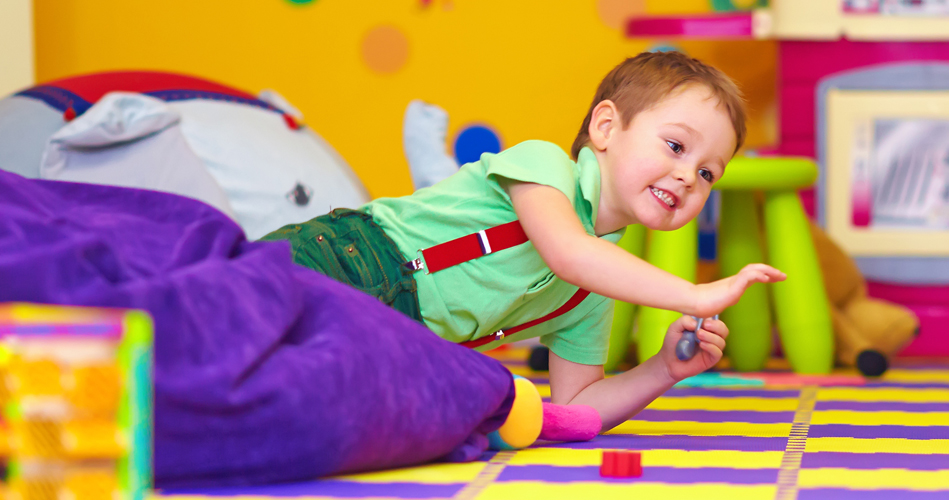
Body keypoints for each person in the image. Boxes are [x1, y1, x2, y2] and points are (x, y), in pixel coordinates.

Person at [261, 51, 785, 431]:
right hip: (349, 259)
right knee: (227, 312)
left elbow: (578, 407)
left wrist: (662, 369)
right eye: (675, 146)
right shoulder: (542, 166)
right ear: (606, 126)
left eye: (708, 173)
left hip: (391, 340)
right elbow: (569, 252)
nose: (688, 177)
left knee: (287, 401)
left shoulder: (594, 287)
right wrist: (694, 295)